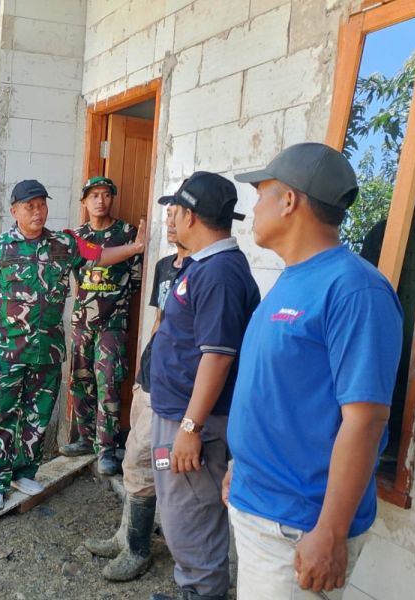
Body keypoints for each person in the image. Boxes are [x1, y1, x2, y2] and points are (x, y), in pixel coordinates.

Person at [225, 143, 403, 599]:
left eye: (261, 192)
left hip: (297, 526)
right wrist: (242, 466)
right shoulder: (294, 276)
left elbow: (365, 420)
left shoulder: (355, 289)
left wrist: (330, 531)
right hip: (261, 505)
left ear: (289, 201)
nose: (254, 205)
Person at [0, 179, 146, 511]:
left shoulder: (64, 243)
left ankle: (24, 471)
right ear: (14, 211)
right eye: (30, 206)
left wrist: (134, 249)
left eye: (42, 205)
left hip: (47, 351)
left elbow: (99, 256)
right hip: (5, 351)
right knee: (0, 414)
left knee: (38, 415)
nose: (37, 212)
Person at [148, 172, 260, 600]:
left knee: (191, 521)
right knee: (180, 517)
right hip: (177, 416)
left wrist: (190, 430)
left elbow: (217, 356)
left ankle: (201, 594)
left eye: (176, 210)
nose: (172, 217)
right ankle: (191, 590)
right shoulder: (204, 266)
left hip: (194, 423)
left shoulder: (220, 273)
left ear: (191, 215)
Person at [85, 200, 190, 581]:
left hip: (174, 392)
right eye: (168, 217)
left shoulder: (205, 271)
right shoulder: (165, 267)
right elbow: (160, 323)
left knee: (145, 461)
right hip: (150, 378)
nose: (171, 223)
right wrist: (144, 372)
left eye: (177, 216)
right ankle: (125, 536)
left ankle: (138, 548)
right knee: (134, 457)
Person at [59, 176, 143, 477]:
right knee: (81, 380)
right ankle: (85, 438)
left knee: (108, 382)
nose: (100, 200)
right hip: (82, 321)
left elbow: (135, 280)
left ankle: (107, 449)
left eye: (106, 194)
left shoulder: (127, 234)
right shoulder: (76, 236)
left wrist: (114, 305)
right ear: (84, 202)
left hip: (112, 324)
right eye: (94, 195)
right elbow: (77, 273)